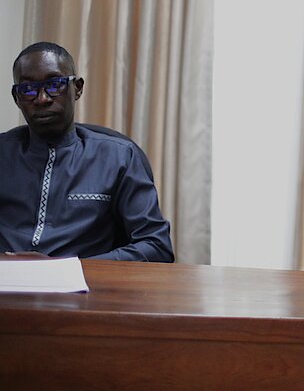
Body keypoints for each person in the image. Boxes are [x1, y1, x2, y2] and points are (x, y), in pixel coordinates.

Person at [0, 42, 174, 262]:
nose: (42, 98)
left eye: (55, 84)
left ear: (78, 88)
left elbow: (157, 246)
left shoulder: (118, 157)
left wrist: (71, 269)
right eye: (28, 89)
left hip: (85, 281)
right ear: (16, 98)